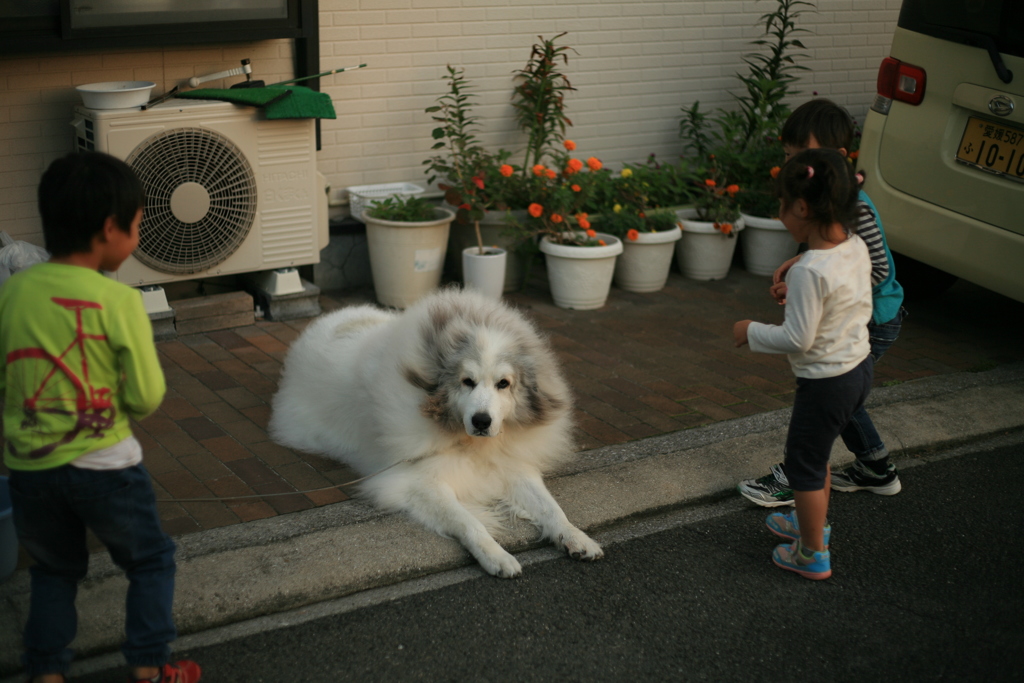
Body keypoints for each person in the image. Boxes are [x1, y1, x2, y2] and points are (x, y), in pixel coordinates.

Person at [0, 152, 201, 683]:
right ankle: (150, 668)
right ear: (109, 229)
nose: (136, 237)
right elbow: (146, 396)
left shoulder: (12, 293)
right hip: (106, 466)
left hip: (30, 469)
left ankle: (46, 674)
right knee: (151, 560)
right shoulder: (119, 301)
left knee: (53, 571)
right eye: (136, 227)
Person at [738, 99, 906, 507]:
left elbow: (876, 270)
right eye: (790, 156)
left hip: (872, 319)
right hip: (858, 317)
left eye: (803, 156)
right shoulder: (829, 199)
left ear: (838, 158)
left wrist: (810, 288)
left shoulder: (856, 208)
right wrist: (800, 269)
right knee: (842, 401)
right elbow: (834, 252)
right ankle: (874, 467)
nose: (794, 165)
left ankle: (799, 476)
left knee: (828, 401)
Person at [733, 148, 873, 579]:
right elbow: (837, 300)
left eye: (781, 204)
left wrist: (750, 330)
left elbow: (797, 338)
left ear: (801, 206)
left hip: (826, 383)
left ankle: (812, 553)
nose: (779, 214)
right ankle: (810, 522)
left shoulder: (810, 270)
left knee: (804, 465)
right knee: (816, 456)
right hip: (858, 369)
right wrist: (797, 290)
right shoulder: (853, 245)